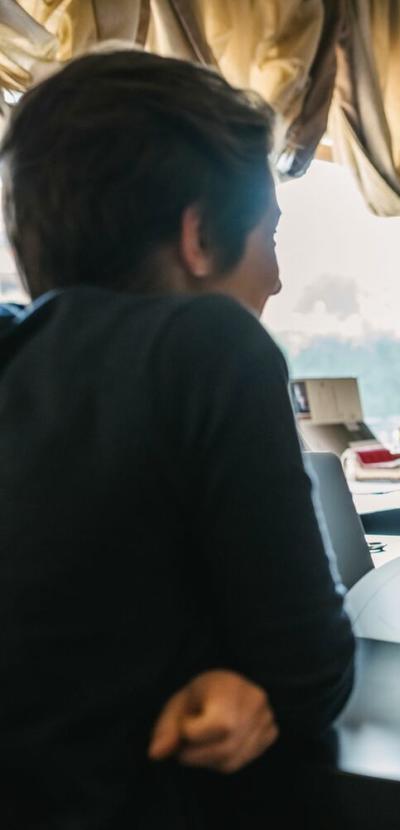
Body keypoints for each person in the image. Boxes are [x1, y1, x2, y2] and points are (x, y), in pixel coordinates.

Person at [0, 51, 354, 828]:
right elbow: (310, 672)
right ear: (198, 237)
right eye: (269, 235)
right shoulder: (209, 345)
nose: (277, 277)